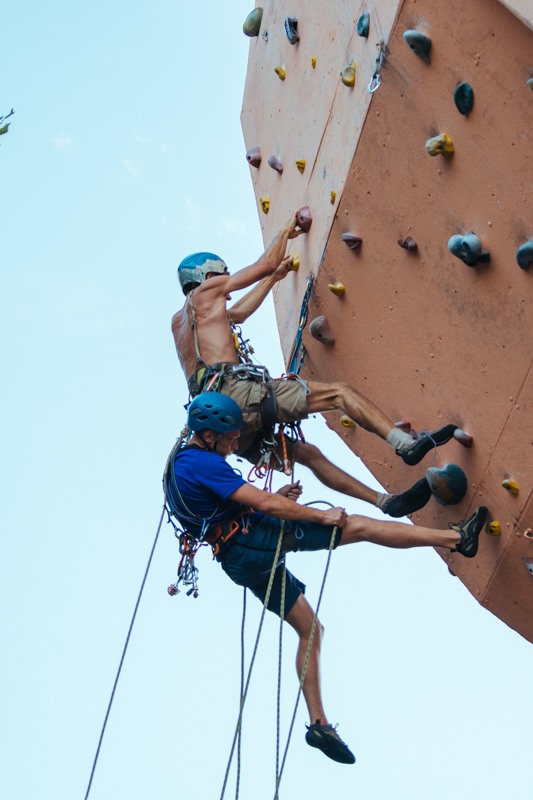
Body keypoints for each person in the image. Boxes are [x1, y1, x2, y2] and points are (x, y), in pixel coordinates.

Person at [163, 393, 488, 765]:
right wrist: (318, 516)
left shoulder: (180, 466)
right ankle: (457, 539)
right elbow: (265, 505)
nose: (236, 444)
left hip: (238, 557)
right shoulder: (200, 462)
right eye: (230, 438)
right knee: (358, 526)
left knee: (310, 630)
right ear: (208, 435)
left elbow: (220, 508)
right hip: (254, 540)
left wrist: (272, 500)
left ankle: (319, 723)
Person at [171, 213, 463, 519]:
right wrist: (286, 230)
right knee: (339, 394)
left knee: (308, 456)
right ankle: (403, 443)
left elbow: (238, 314)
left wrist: (277, 277)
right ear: (207, 276)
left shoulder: (181, 324)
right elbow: (265, 263)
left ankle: (385, 502)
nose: (227, 287)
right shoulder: (206, 293)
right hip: (239, 394)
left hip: (222, 424)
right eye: (223, 276)